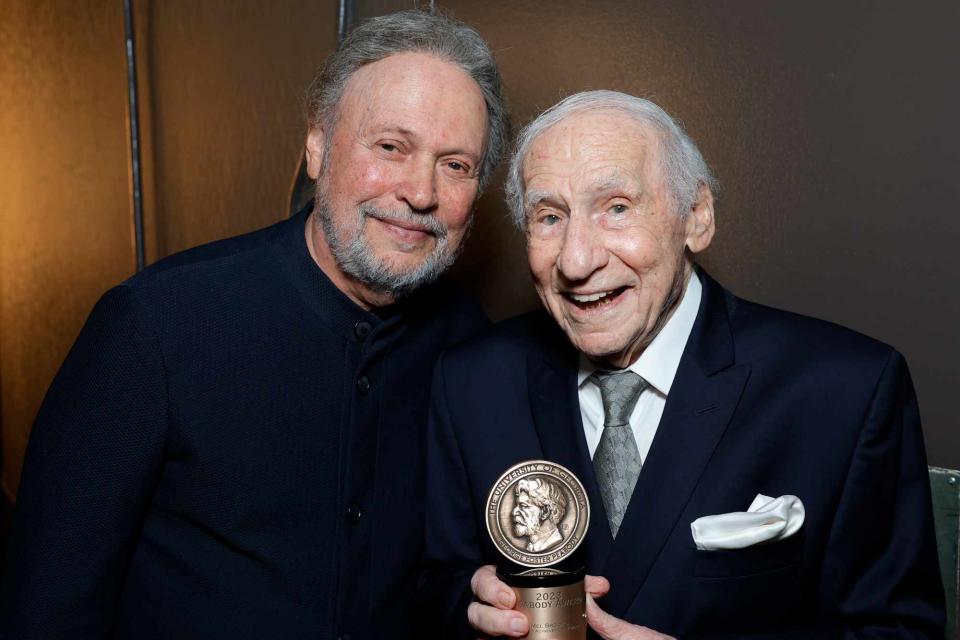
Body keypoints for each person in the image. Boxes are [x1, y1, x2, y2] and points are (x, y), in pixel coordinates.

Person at [2, 10, 509, 640]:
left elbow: (441, 569)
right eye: (391, 146)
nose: (420, 192)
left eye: (455, 165)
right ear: (318, 147)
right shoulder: (155, 326)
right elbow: (48, 607)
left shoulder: (473, 347)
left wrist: (472, 595)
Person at [421, 90, 944, 639]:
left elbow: (901, 630)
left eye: (617, 208)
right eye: (549, 217)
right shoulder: (473, 382)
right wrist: (472, 607)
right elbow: (439, 586)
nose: (576, 260)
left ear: (696, 217)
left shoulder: (845, 392)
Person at [512, 478, 567, 552]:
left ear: (545, 512)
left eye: (523, 506)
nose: (514, 512)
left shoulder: (554, 542)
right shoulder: (531, 547)